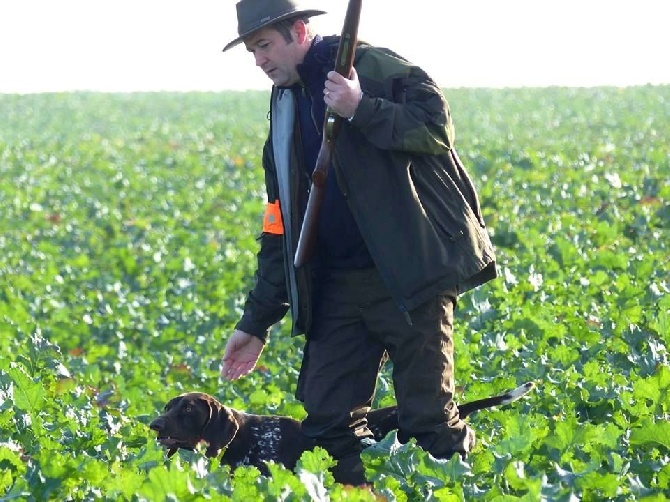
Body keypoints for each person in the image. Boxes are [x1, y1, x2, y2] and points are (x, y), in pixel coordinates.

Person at [219, 0, 497, 485]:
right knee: (326, 430)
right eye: (251, 50)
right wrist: (256, 323)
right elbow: (278, 224)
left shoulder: (371, 66)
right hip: (337, 289)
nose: (259, 60)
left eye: (264, 45)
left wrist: (360, 107)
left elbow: (436, 127)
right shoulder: (283, 106)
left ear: (299, 31)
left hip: (408, 277)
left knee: (428, 422)